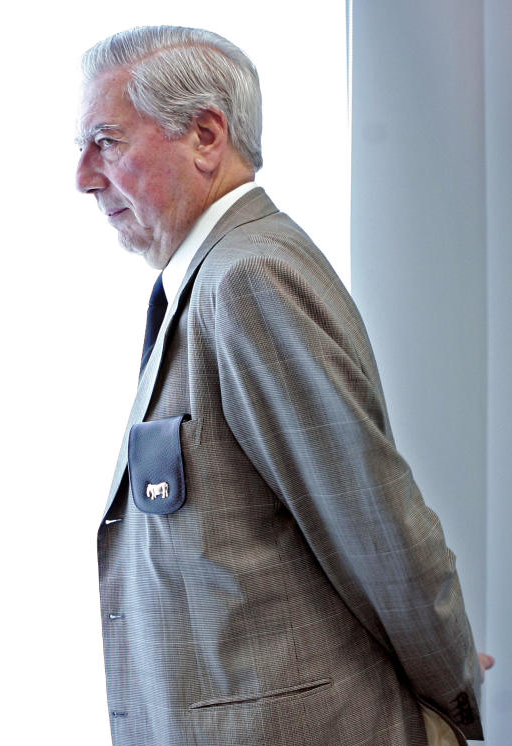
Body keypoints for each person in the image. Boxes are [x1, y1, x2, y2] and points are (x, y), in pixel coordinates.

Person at [76, 26, 488, 745]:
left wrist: (451, 701)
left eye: (106, 142)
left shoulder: (247, 278)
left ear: (206, 134)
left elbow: (373, 521)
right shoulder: (209, 280)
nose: (82, 175)